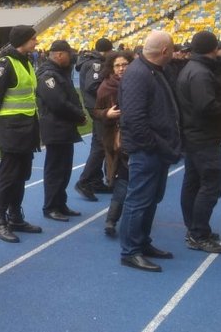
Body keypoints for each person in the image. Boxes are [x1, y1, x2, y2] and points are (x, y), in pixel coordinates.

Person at [117, 31, 181, 272]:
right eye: (173, 49)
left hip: (156, 150)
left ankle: (142, 243)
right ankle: (130, 251)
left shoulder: (152, 71)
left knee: (151, 199)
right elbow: (134, 118)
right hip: (147, 151)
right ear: (165, 51)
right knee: (138, 200)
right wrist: (157, 146)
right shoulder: (138, 74)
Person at [175, 31, 221, 254]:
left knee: (193, 182)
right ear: (214, 48)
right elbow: (206, 106)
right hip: (203, 136)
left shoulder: (192, 69)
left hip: (195, 134)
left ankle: (195, 227)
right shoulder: (201, 73)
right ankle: (198, 233)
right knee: (211, 185)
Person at [0, 25, 43, 243]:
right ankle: (0, 222)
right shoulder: (5, 63)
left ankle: (15, 216)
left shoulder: (24, 60)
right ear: (23, 40)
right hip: (11, 128)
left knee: (21, 174)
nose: (36, 42)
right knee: (8, 176)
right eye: (33, 39)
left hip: (27, 127)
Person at [35, 40, 86, 222]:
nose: (71, 57)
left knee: (64, 170)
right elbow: (58, 103)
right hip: (55, 127)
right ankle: (50, 206)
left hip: (64, 128)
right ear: (58, 54)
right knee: (55, 170)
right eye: (68, 54)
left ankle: (60, 203)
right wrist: (79, 115)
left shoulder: (59, 73)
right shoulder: (48, 75)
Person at [90, 51, 134, 237]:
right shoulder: (105, 88)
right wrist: (106, 113)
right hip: (117, 140)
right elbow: (96, 112)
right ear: (111, 68)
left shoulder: (137, 83)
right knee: (123, 180)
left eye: (124, 64)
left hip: (137, 136)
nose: (121, 68)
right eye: (117, 65)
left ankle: (130, 217)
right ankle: (112, 220)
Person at [74, 37, 113, 201]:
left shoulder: (92, 61)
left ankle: (95, 180)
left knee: (99, 143)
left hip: (95, 106)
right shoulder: (96, 64)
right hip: (98, 107)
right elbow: (93, 85)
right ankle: (85, 180)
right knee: (101, 145)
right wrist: (110, 91)